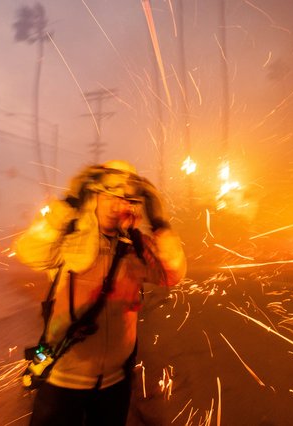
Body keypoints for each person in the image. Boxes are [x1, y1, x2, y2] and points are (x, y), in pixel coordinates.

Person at [15, 160, 186, 426]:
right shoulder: (70, 237)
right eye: (111, 196)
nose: (119, 205)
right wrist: (69, 204)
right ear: (94, 195)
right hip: (63, 381)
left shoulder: (135, 247)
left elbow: (172, 272)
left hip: (114, 384)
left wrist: (160, 223)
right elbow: (30, 251)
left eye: (127, 199)